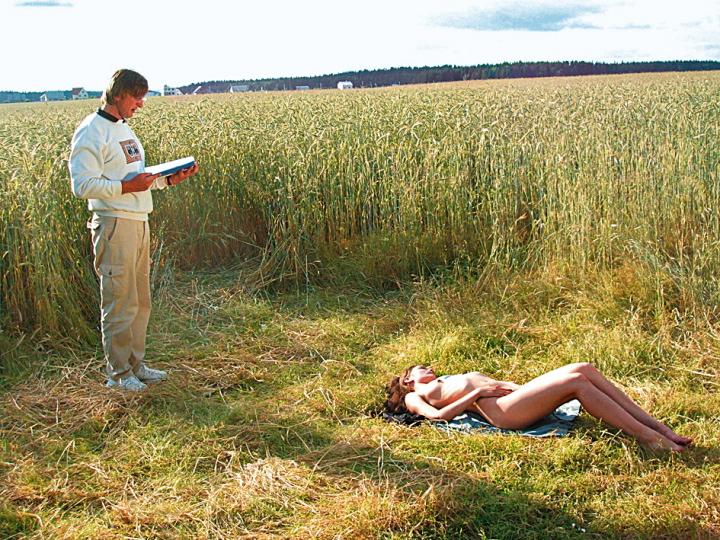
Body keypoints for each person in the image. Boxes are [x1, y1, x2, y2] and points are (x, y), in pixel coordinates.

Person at [69, 69, 199, 391]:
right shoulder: (91, 131)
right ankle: (118, 375)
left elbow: (136, 178)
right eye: (136, 97)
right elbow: (81, 185)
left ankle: (136, 366)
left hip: (139, 221)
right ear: (117, 95)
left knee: (140, 301)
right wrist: (126, 188)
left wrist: (168, 180)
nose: (141, 103)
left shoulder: (124, 129)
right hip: (114, 225)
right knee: (118, 302)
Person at [386, 362, 692, 452]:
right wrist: (477, 392)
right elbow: (439, 416)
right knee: (578, 383)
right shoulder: (414, 396)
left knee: (583, 368)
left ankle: (658, 427)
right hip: (503, 412)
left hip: (513, 397)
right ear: (408, 380)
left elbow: (496, 384)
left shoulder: (446, 379)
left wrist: (530, 389)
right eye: (421, 368)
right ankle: (648, 438)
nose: (429, 368)